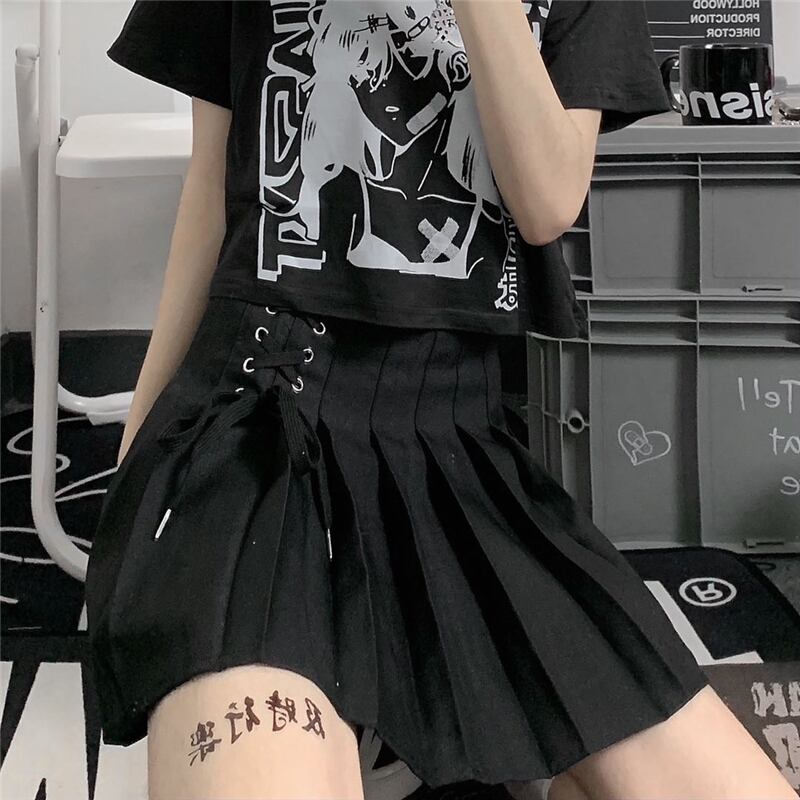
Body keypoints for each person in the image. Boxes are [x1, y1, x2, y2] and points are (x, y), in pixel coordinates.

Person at [85, 1, 797, 799]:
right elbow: (210, 193)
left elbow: (547, 201)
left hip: (459, 444)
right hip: (258, 417)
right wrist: (138, 473)